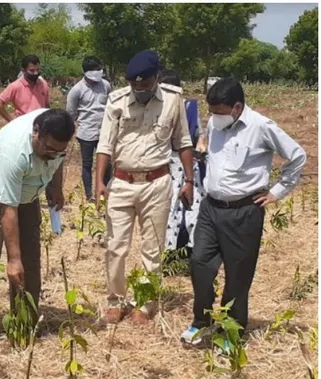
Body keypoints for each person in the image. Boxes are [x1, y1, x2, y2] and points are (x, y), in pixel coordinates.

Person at [181, 78, 306, 347]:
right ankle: (201, 322)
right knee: (199, 263)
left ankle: (232, 330)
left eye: (221, 111)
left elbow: (297, 156)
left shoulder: (261, 127)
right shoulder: (216, 121)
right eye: (212, 111)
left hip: (243, 212)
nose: (215, 117)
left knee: (238, 275)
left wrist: (278, 191)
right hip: (210, 208)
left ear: (237, 107)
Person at [93, 50, 194, 325]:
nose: (140, 89)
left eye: (145, 84)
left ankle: (145, 302)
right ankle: (115, 300)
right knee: (115, 246)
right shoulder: (116, 101)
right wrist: (99, 181)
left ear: (156, 78)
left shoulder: (173, 100)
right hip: (122, 183)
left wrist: (189, 181)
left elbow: (184, 141)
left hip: (157, 184)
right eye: (135, 85)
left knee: (152, 248)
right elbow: (104, 145)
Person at [0, 108, 75, 350]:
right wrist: (13, 259)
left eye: (59, 150)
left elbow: (57, 158)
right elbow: (7, 208)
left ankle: (25, 323)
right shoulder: (15, 153)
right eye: (49, 149)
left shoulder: (57, 138)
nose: (53, 154)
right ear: (36, 134)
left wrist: (56, 187)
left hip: (26, 193)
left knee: (30, 259)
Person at [159, 69, 207, 257]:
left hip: (188, 164)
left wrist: (201, 145)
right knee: (170, 208)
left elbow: (199, 134)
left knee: (191, 208)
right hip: (166, 164)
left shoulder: (189, 108)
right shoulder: (156, 110)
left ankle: (191, 251)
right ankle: (170, 252)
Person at [66, 56, 113, 201]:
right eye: (94, 69)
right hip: (86, 133)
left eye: (99, 68)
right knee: (87, 164)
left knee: (107, 164)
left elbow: (111, 105)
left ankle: (104, 192)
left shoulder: (105, 85)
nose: (98, 72)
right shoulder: (77, 90)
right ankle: (89, 195)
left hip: (104, 132)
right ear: (86, 72)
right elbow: (71, 112)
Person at [0, 55, 51, 122]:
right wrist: (12, 121)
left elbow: (46, 105)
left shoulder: (43, 84)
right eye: (32, 70)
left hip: (41, 124)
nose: (36, 73)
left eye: (37, 70)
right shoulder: (15, 86)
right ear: (23, 70)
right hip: (24, 125)